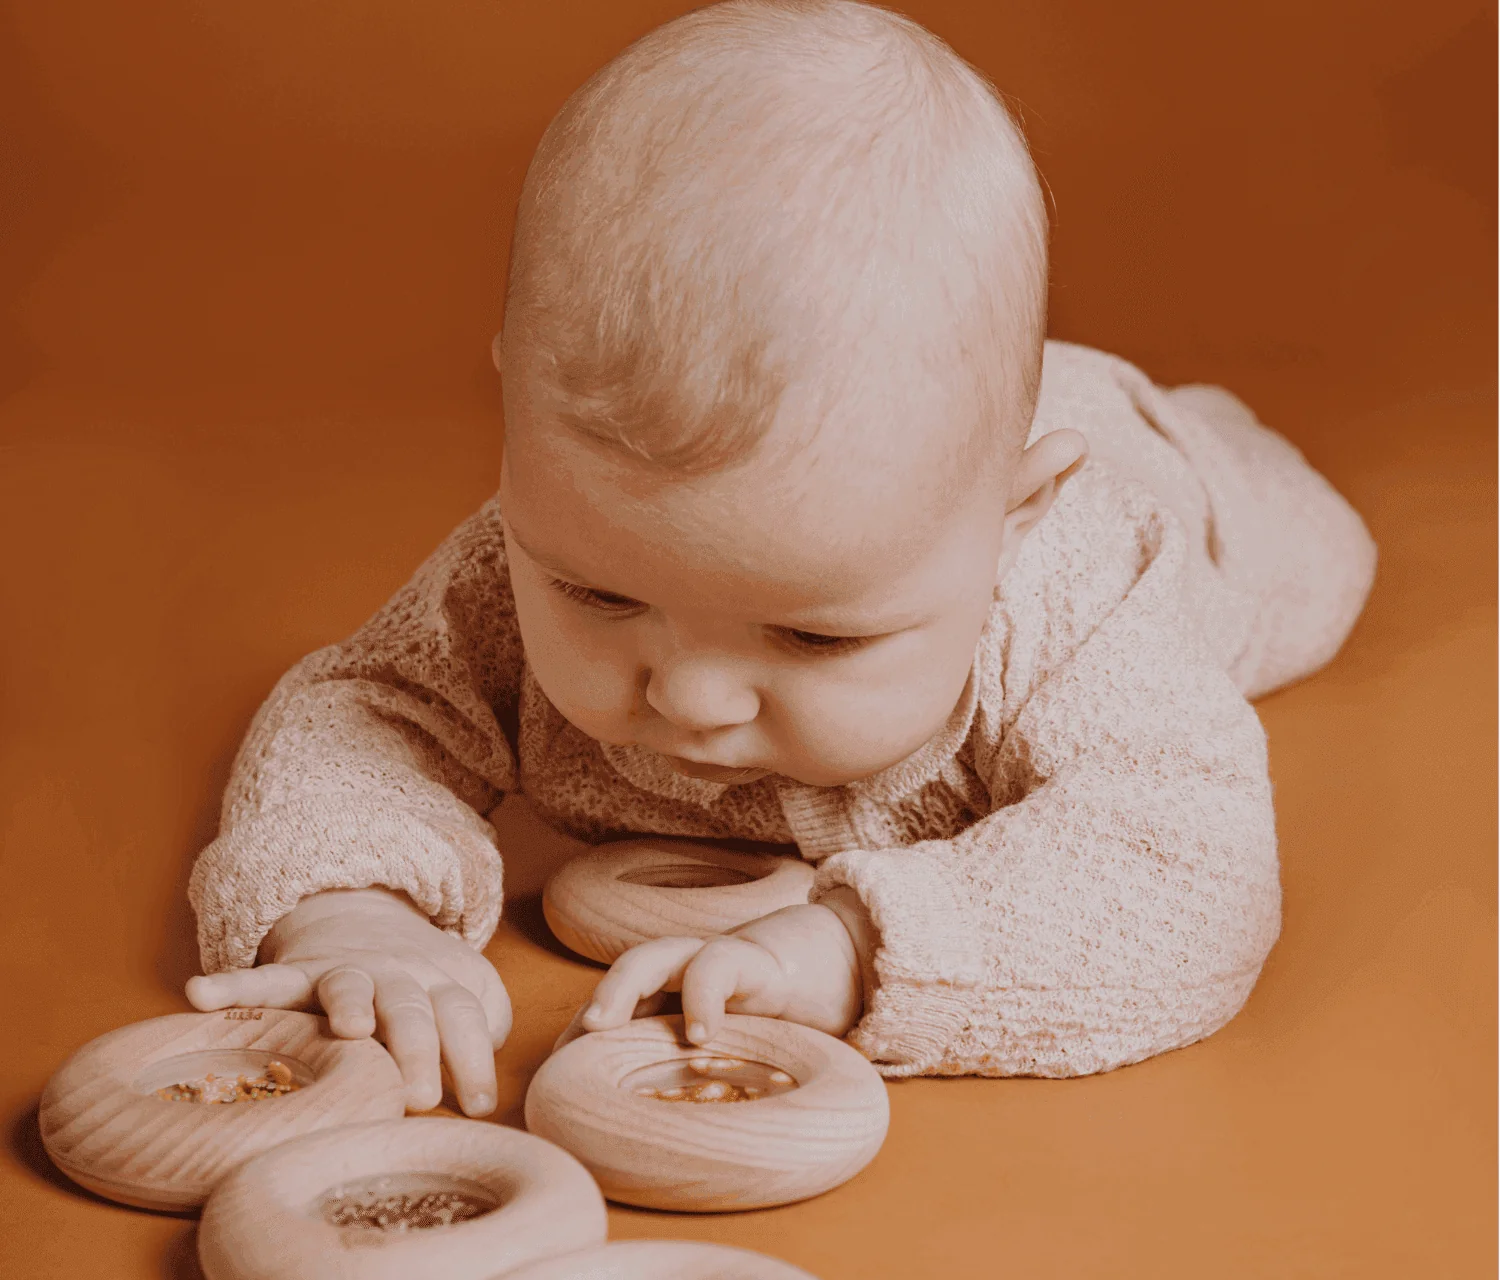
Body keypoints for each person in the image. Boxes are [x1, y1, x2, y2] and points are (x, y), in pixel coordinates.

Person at [185, 0, 1376, 1116]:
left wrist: (861, 946)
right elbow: (363, 710)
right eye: (601, 595)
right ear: (518, 435)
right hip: (915, 457)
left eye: (816, 633)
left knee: (1319, 563)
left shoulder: (1084, 595)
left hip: (1157, 474)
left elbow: (1186, 875)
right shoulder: (540, 536)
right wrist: (353, 909)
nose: (690, 697)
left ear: (1011, 525)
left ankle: (1200, 430)